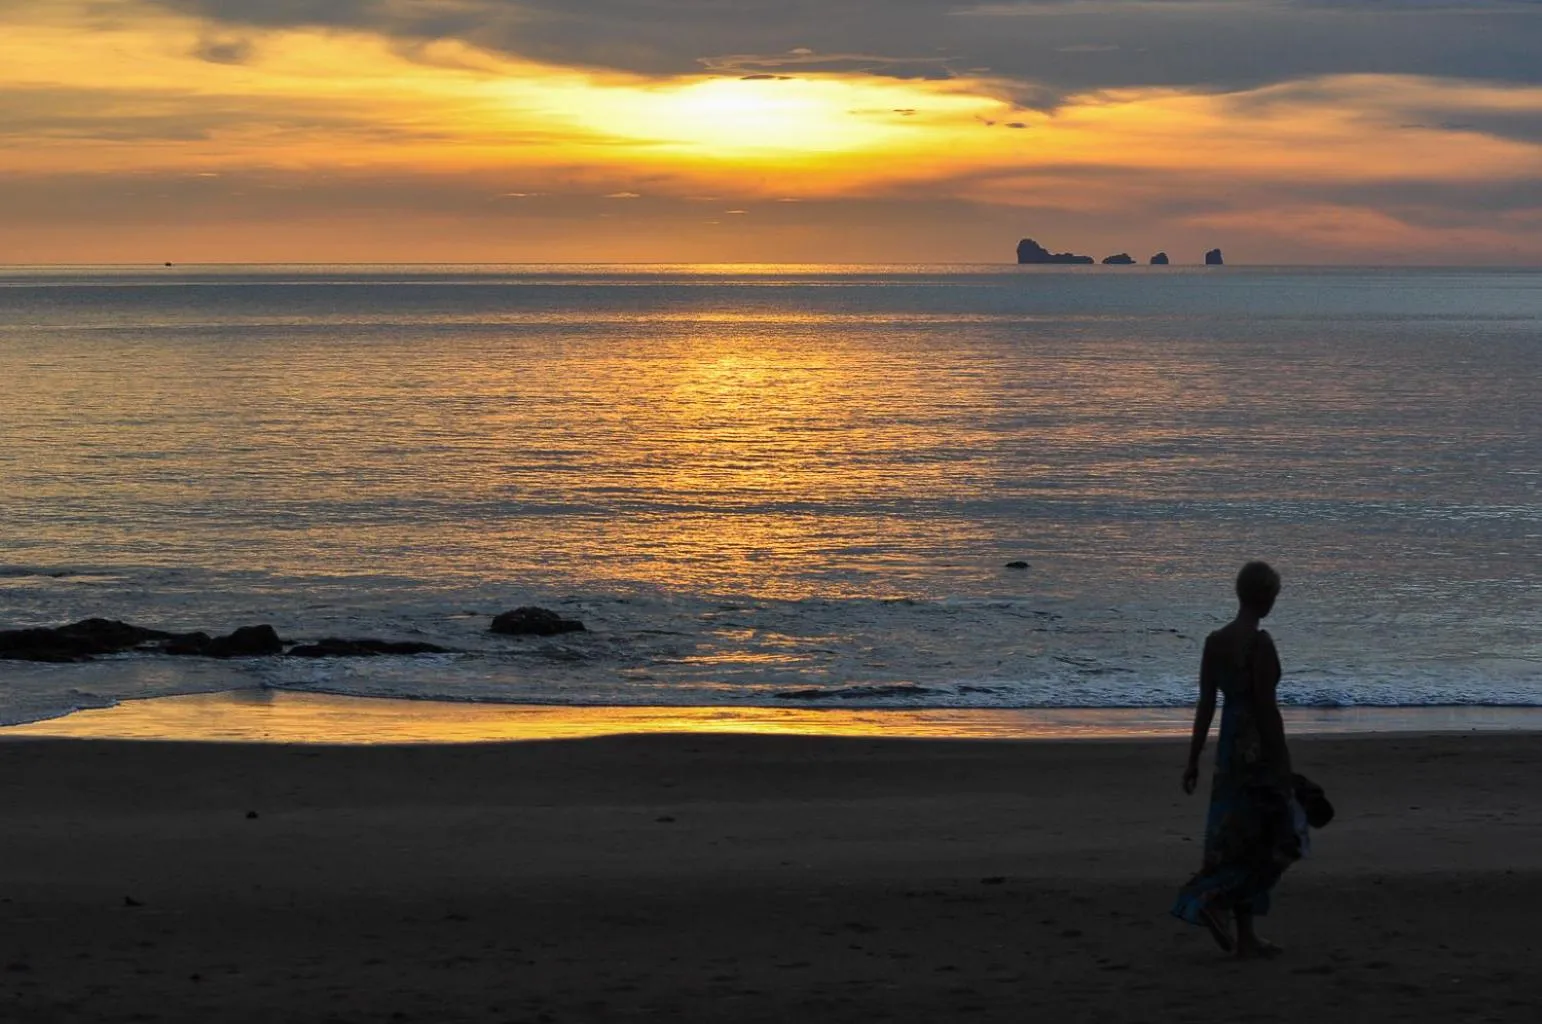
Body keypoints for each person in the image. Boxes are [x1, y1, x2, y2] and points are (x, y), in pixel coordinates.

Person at [1172, 560, 1307, 958]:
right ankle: (1216, 899)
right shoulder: (1259, 645)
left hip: (1229, 748)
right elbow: (1267, 709)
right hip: (1256, 747)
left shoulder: (1215, 641)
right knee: (1273, 839)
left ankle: (1245, 935)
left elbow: (1206, 704)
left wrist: (1194, 758)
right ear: (1264, 597)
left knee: (1234, 836)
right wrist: (1281, 761)